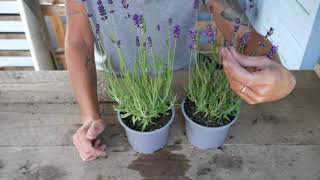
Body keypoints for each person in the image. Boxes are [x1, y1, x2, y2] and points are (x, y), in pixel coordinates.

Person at [65, 0, 296, 161]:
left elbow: (240, 29)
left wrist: (275, 71)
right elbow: (79, 42)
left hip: (180, 80)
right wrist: (89, 116)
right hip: (120, 83)